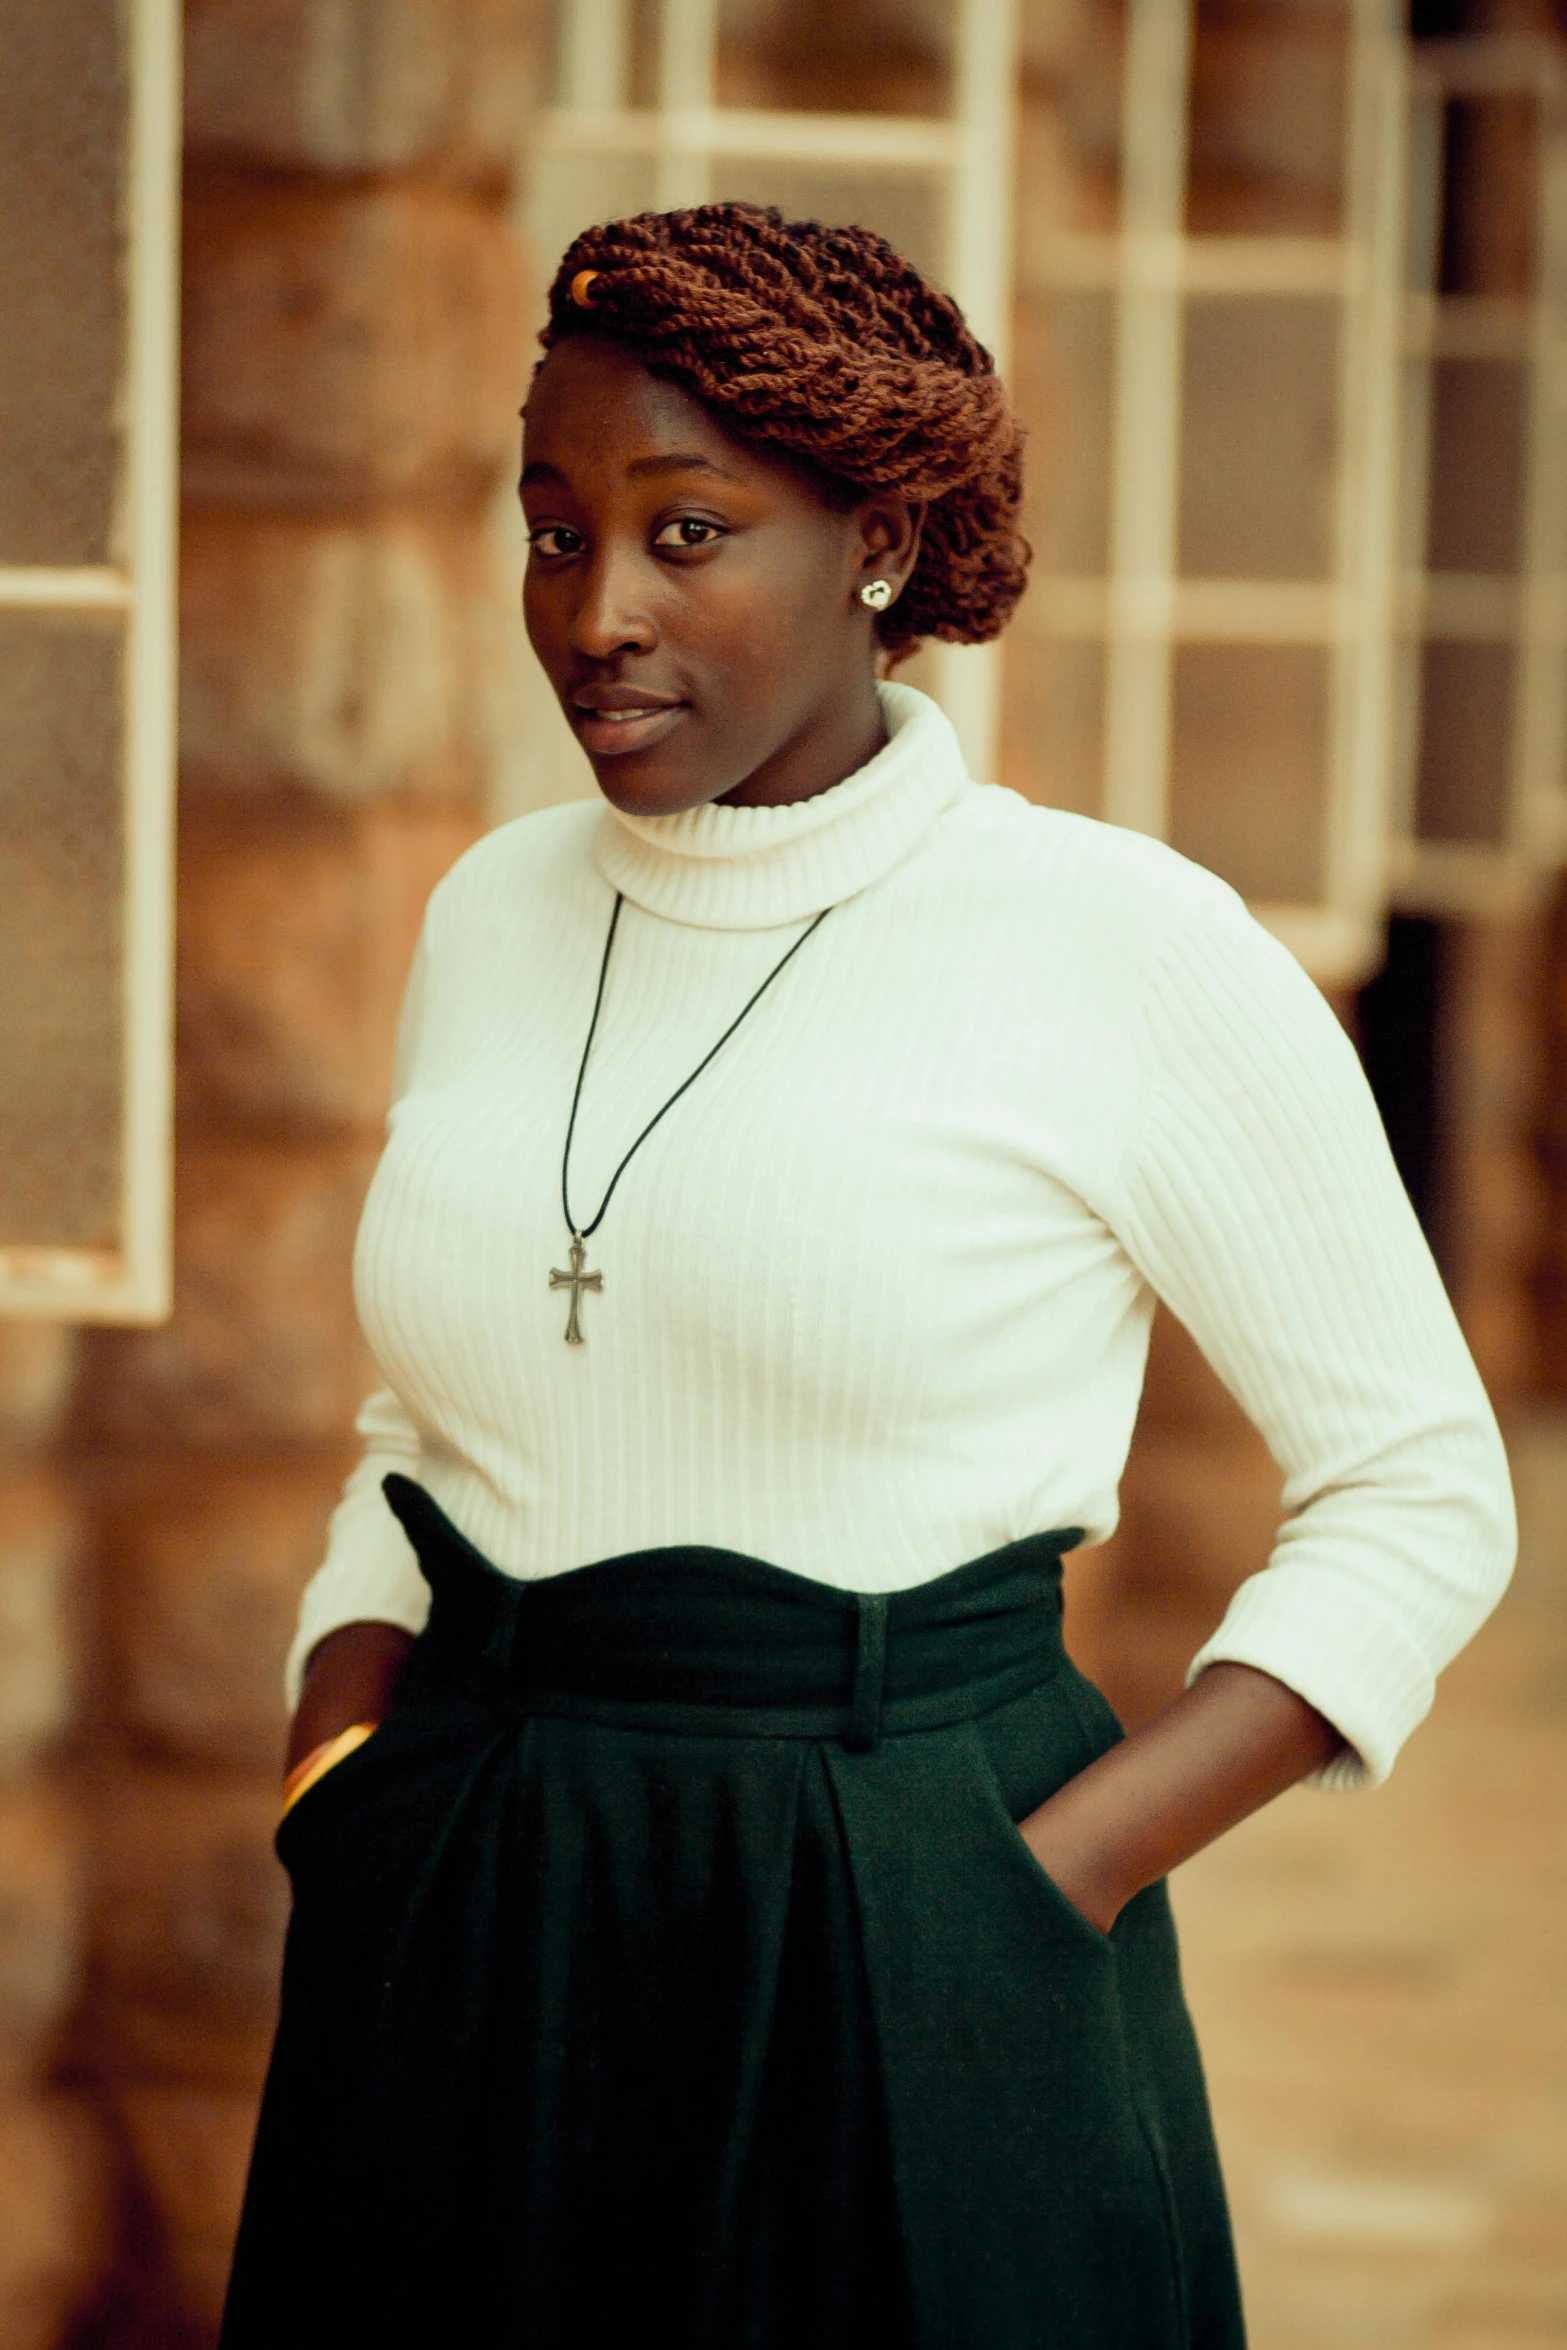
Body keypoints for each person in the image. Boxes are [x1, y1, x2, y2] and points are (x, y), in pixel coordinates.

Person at [219, 203, 1514, 2350]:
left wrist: (1046, 1875)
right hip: (466, 1889)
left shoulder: (1126, 948)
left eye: (686, 530)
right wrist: (340, 1739)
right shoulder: (492, 909)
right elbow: (427, 1412)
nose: (597, 613)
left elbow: (1416, 1488)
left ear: (882, 542)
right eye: (553, 532)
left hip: (919, 1898)